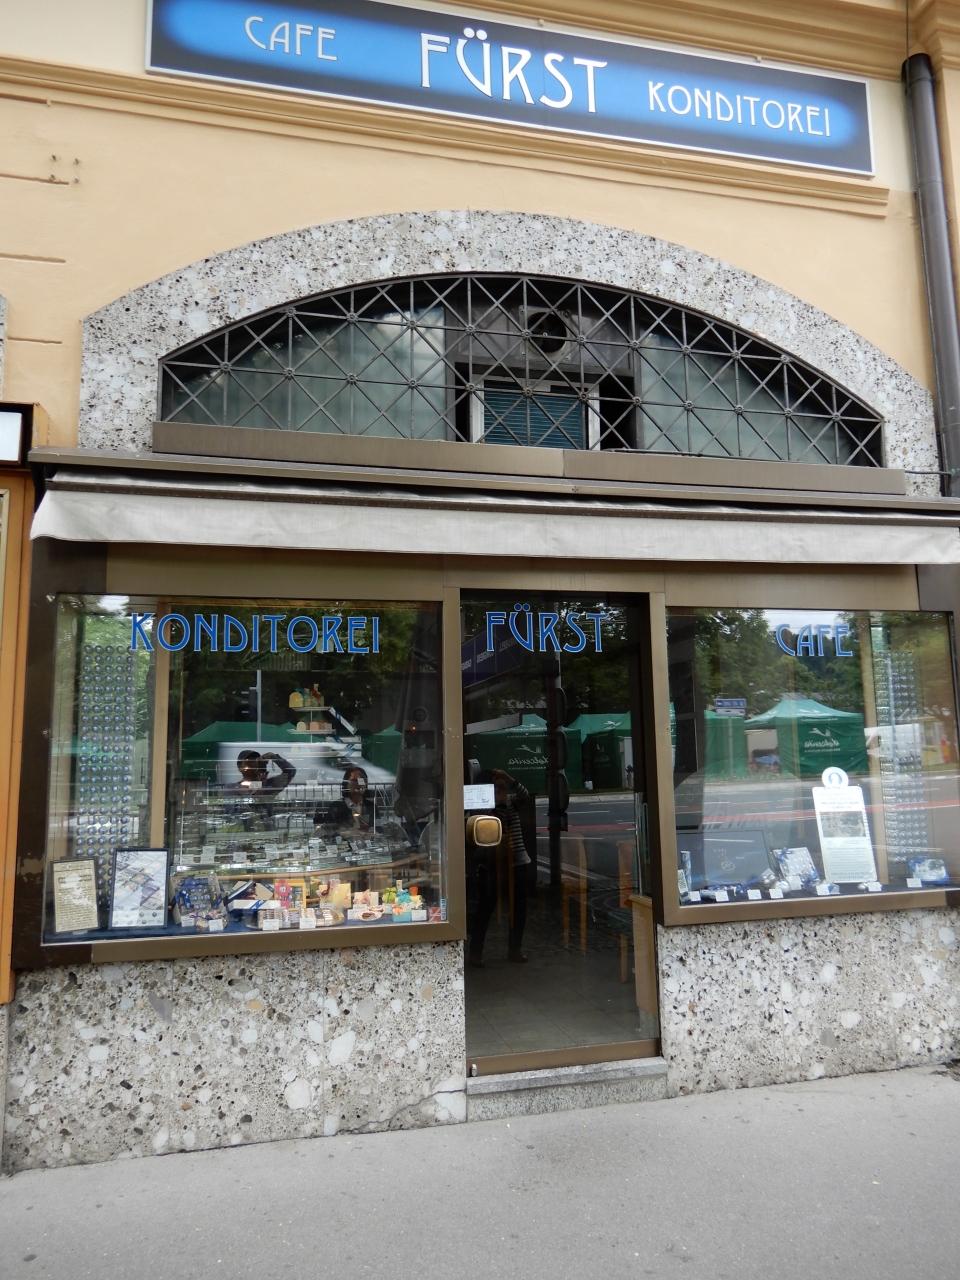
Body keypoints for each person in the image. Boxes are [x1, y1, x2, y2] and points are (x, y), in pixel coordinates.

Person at [467, 768, 531, 966]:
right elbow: (493, 831)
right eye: (496, 788)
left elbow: (525, 795)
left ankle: (515, 949)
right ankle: (476, 952)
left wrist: (509, 779)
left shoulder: (511, 802)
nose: (501, 792)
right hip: (493, 864)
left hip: (517, 861)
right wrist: (498, 805)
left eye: (503, 788)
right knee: (486, 907)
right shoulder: (485, 809)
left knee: (519, 908)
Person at [314, 765, 375, 831]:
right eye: (354, 781)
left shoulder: (371, 807)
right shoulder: (336, 807)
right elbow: (330, 830)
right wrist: (345, 833)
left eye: (361, 781)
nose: (359, 784)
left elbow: (378, 828)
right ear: (346, 785)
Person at [229, 749, 297, 795]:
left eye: (256, 761)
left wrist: (274, 757)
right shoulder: (232, 787)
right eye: (249, 762)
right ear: (240, 767)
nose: (254, 765)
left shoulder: (268, 785)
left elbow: (291, 771)